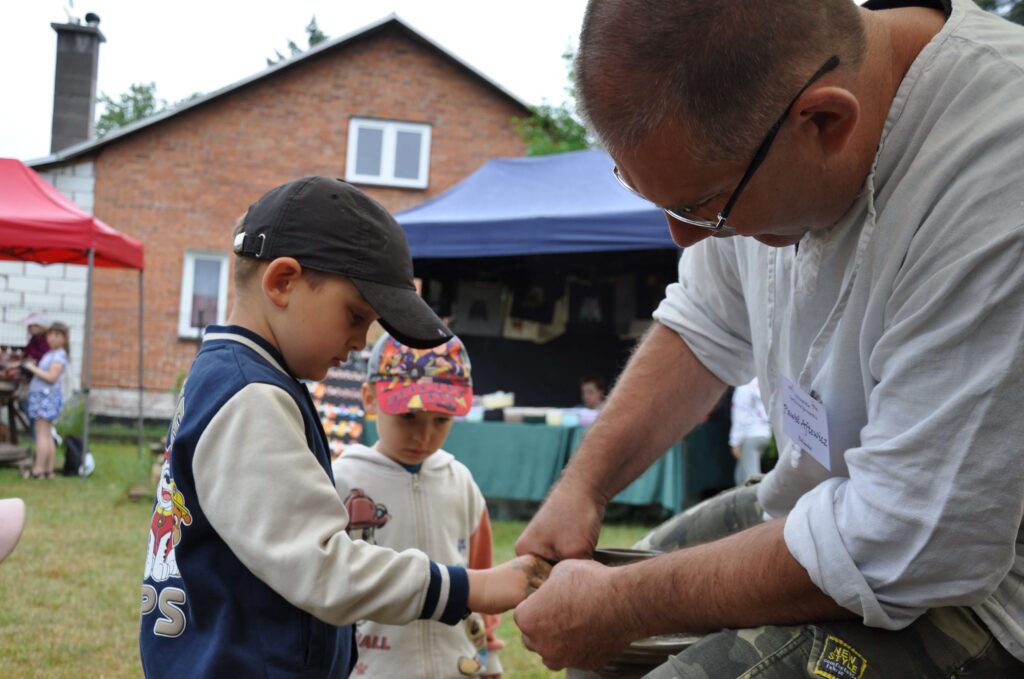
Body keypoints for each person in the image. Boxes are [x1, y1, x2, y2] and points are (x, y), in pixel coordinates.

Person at [513, 1, 1024, 676]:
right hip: (837, 505)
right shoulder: (759, 127)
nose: (684, 237)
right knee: (604, 643)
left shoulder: (998, 170)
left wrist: (624, 602)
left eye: (702, 205)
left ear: (825, 120)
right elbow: (704, 321)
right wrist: (582, 486)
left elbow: (909, 545)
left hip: (987, 594)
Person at [138, 177, 549, 678]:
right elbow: (322, 565)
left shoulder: (230, 376)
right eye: (355, 316)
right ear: (282, 282)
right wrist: (471, 587)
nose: (360, 341)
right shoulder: (250, 395)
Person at [333, 332, 504, 678]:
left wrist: (489, 658)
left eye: (441, 420)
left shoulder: (461, 482)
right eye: (408, 417)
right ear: (369, 399)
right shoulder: (340, 482)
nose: (424, 436)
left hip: (457, 667)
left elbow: (482, 578)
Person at [20, 322, 70, 480]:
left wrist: (32, 368)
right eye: (50, 334)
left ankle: (38, 469)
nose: (52, 338)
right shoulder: (51, 354)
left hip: (45, 397)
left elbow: (51, 377)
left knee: (41, 434)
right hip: (43, 396)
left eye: (57, 335)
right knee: (47, 434)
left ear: (64, 338)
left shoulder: (59, 355)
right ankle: (48, 470)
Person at [728, 377, 770, 486]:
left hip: (751, 436)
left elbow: (740, 416)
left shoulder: (744, 385)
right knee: (740, 476)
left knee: (752, 480)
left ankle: (760, 497)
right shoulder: (760, 381)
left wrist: (735, 442)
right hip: (764, 434)